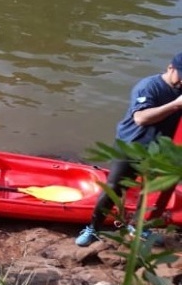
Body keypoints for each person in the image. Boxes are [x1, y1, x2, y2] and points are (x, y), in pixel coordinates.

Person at [74, 52, 182, 247]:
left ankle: (140, 229)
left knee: (151, 194)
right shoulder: (149, 86)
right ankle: (93, 228)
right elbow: (141, 118)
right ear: (170, 68)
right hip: (131, 146)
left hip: (159, 152)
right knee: (113, 190)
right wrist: (175, 105)